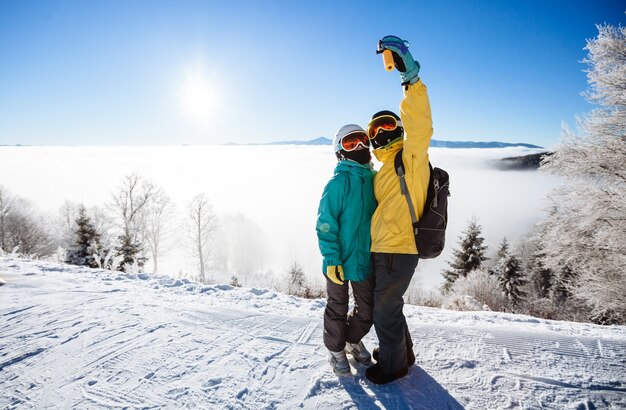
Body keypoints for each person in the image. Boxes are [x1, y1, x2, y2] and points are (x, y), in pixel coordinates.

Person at [365, 35, 434, 385]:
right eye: (376, 128)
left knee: (384, 309)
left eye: (389, 124)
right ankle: (402, 354)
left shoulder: (411, 155)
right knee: (390, 306)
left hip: (399, 247)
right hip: (385, 249)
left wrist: (410, 79)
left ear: (400, 129)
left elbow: (421, 124)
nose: (382, 132)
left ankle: (392, 368)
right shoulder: (382, 170)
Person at [316, 124, 377, 376]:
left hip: (365, 260)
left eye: (363, 141)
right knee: (337, 307)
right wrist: (331, 258)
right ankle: (335, 350)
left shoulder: (374, 180)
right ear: (340, 151)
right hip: (338, 261)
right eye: (351, 143)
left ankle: (351, 340)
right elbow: (325, 224)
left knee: (368, 309)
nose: (360, 147)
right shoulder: (338, 183)